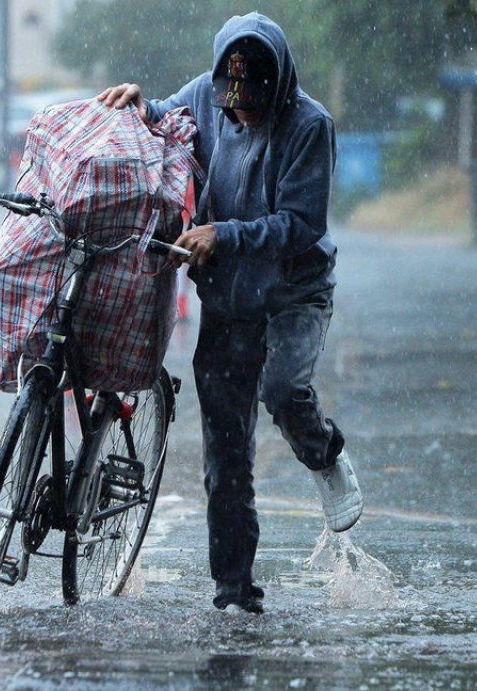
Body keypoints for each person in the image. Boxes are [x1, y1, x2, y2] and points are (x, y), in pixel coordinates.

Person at [98, 12, 360, 615]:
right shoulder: (205, 96)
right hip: (229, 298)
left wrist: (226, 235)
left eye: (254, 106)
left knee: (285, 389)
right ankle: (234, 591)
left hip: (295, 291)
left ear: (280, 89)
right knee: (225, 454)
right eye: (232, 106)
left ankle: (324, 454)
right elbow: (163, 118)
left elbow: (302, 224)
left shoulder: (309, 125)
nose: (240, 116)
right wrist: (138, 106)